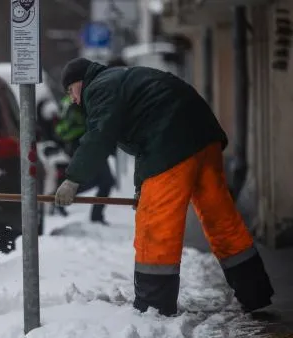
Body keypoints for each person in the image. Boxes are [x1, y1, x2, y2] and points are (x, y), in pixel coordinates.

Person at [54, 57, 274, 316]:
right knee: (221, 218)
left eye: (70, 91)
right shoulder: (123, 79)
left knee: (155, 225)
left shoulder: (100, 87)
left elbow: (99, 137)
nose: (74, 100)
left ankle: (153, 307)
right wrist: (141, 189)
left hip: (173, 143)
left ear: (80, 81)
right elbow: (145, 146)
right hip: (204, 138)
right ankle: (255, 292)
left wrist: (73, 179)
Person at [54, 94, 115, 224]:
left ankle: (61, 197)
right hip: (85, 145)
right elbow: (88, 123)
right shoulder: (77, 100)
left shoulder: (69, 99)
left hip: (84, 144)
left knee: (102, 180)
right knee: (105, 180)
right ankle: (61, 197)